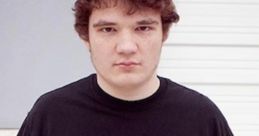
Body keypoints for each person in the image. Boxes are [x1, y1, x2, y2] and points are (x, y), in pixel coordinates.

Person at [17, 0, 234, 136]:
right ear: (86, 37)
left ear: (164, 34)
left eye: (143, 27)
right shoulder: (52, 114)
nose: (127, 47)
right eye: (108, 29)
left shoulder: (201, 117)